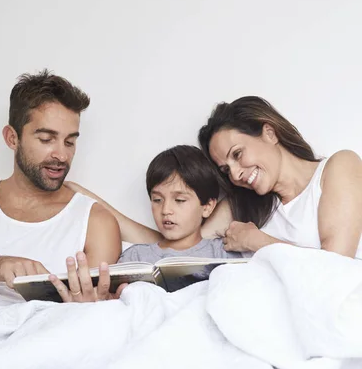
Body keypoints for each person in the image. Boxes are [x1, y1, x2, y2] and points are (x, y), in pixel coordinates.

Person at [0, 70, 123, 305]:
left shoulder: (96, 223)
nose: (61, 155)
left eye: (70, 142)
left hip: (38, 338)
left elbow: (92, 320)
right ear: (12, 138)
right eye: (46, 139)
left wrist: (86, 308)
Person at [198, 96, 362, 259]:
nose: (234, 175)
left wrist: (258, 242)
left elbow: (337, 265)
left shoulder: (339, 167)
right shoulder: (242, 205)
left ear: (270, 134)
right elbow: (187, 251)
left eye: (237, 154)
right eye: (226, 169)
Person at [118, 145, 242, 263]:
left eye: (179, 200)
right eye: (157, 200)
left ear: (207, 207)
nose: (165, 210)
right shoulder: (136, 256)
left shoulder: (223, 252)